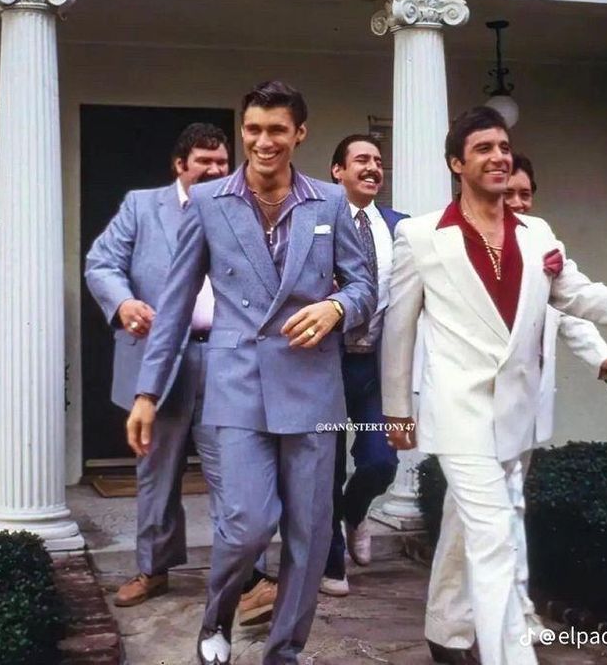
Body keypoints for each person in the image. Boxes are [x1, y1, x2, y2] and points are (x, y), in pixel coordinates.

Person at [381, 107, 607, 665]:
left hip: (515, 413)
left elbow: (577, 296)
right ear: (455, 163)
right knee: (494, 540)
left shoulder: (537, 233)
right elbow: (398, 331)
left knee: (468, 524)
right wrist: (397, 410)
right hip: (458, 413)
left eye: (503, 146)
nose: (498, 156)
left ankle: (446, 631)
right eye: (484, 148)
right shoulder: (419, 237)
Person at [126, 81, 376, 665]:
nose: (264, 142)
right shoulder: (210, 201)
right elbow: (175, 305)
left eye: (277, 131)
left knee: (312, 539)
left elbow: (366, 286)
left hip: (312, 390)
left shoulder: (330, 203)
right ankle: (216, 616)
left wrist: (337, 307)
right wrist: (146, 392)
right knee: (247, 525)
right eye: (254, 130)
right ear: (243, 131)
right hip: (236, 386)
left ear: (299, 135)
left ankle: (284, 651)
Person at [85, 123, 283, 618]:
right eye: (205, 163)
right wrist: (123, 301)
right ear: (180, 165)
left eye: (222, 163)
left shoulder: (241, 207)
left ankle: (249, 576)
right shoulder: (140, 206)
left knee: (235, 471)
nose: (216, 171)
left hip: (226, 360)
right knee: (157, 472)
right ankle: (152, 569)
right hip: (159, 359)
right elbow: (100, 262)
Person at [320, 135, 408, 597]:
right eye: (361, 160)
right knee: (325, 467)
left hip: (376, 366)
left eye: (378, 161)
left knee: (380, 459)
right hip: (325, 368)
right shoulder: (315, 222)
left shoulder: (401, 227)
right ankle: (331, 562)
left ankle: (355, 513)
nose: (373, 167)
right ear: (338, 171)